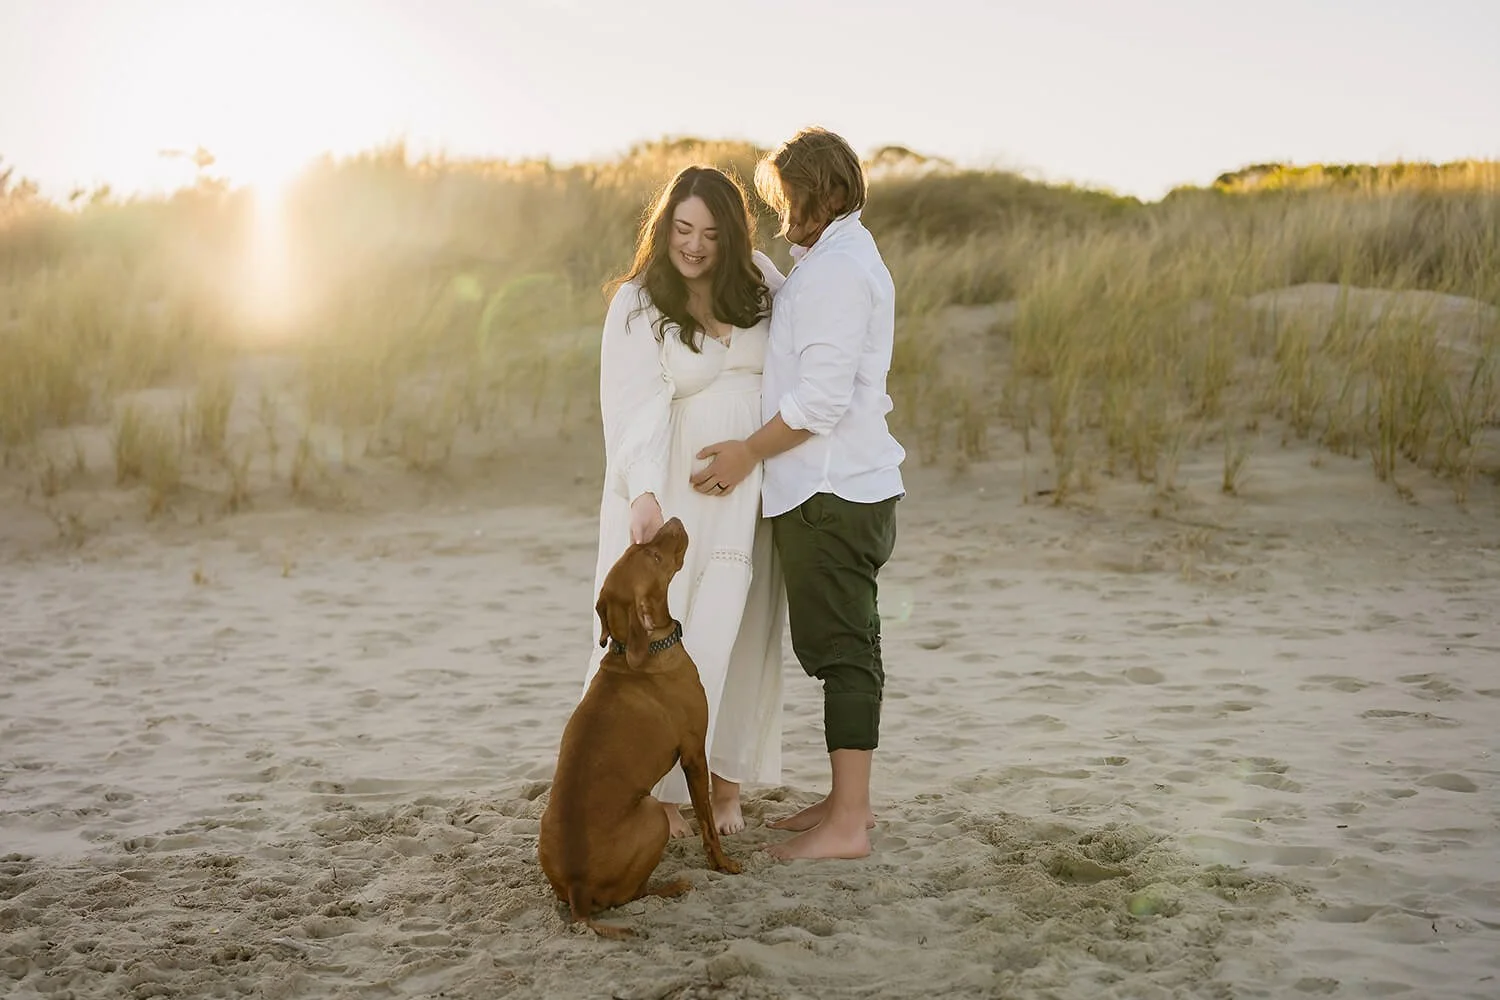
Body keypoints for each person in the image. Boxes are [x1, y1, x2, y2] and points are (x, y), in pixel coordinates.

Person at [691, 127, 905, 861]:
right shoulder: (832, 264)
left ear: (832, 195)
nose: (782, 213)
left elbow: (819, 399)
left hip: (831, 489)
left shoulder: (840, 273)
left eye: (791, 199)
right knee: (844, 648)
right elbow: (803, 328)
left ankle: (848, 826)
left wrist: (747, 452)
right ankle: (846, 804)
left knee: (841, 653)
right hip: (840, 487)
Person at [583, 164, 787, 838]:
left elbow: (811, 349)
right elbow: (632, 404)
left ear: (733, 235)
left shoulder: (760, 282)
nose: (695, 246)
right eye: (682, 229)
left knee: (735, 631)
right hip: (668, 499)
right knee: (663, 645)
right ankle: (658, 794)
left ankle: (725, 787)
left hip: (742, 498)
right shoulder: (639, 301)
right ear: (664, 228)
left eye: (710, 233)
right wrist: (642, 492)